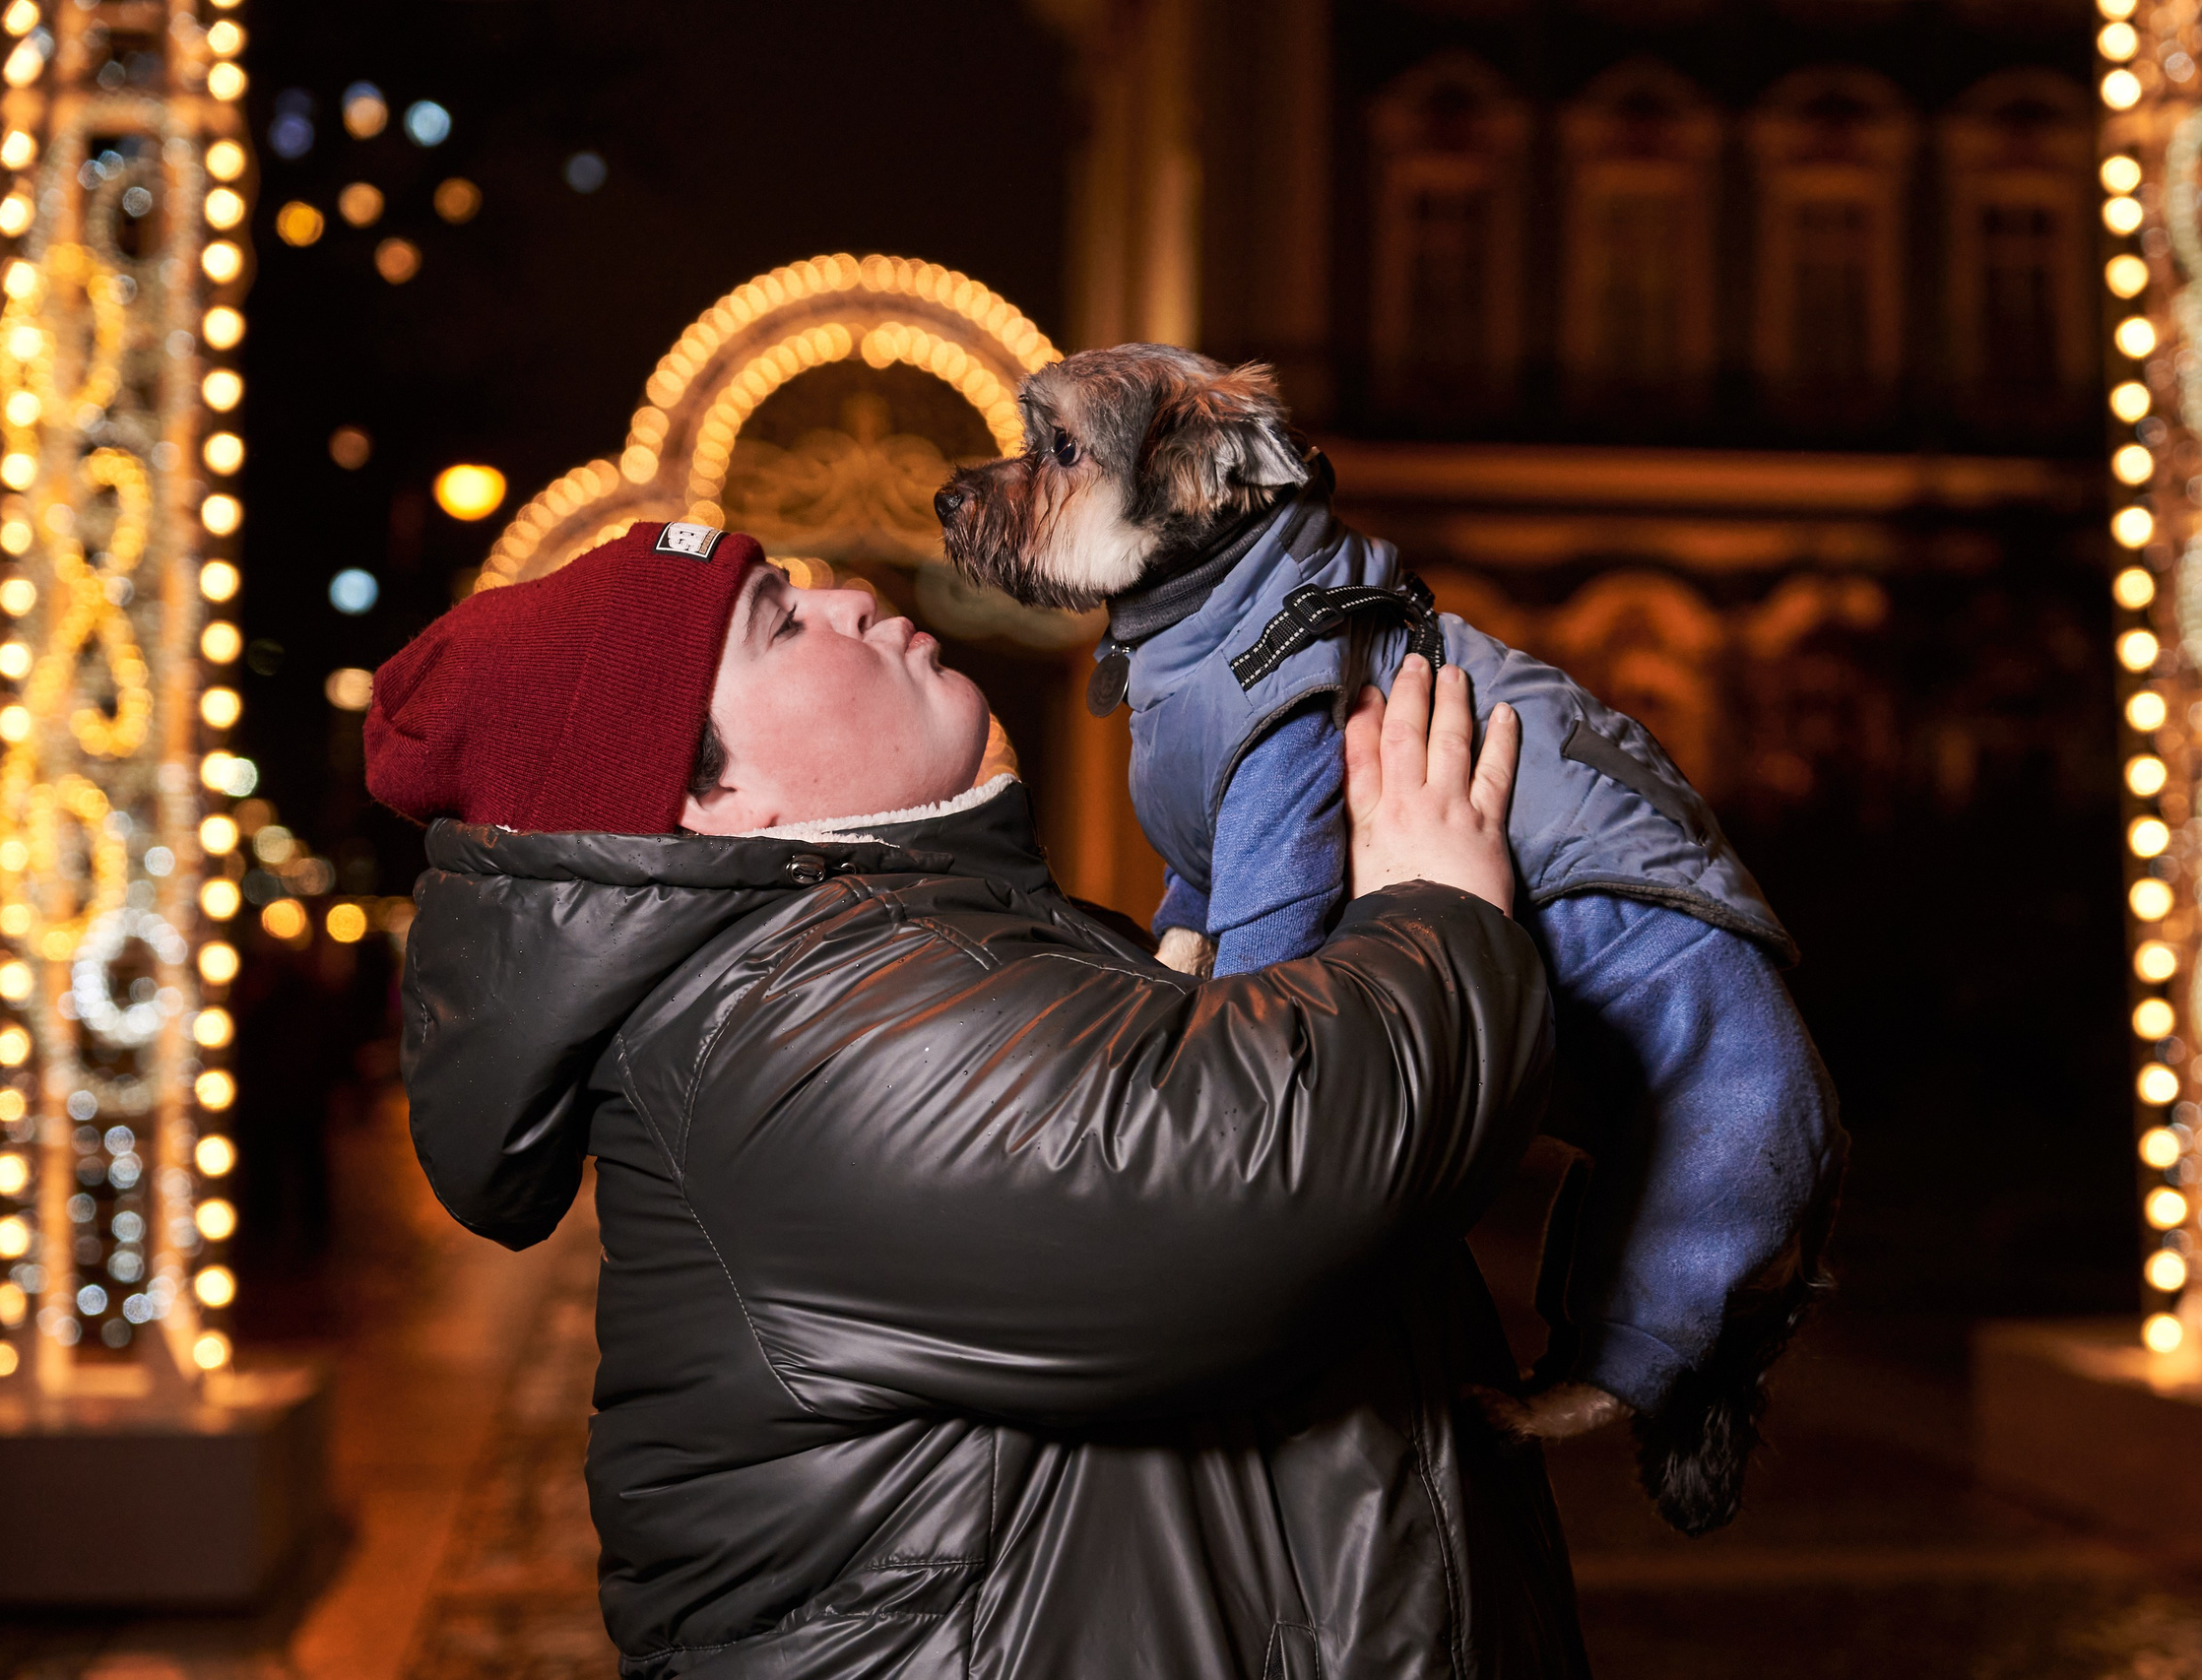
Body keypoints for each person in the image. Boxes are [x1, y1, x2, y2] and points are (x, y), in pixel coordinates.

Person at [364, 521, 1589, 1679]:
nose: (849, 597)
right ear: (713, 801)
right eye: (779, 622)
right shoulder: (798, 1025)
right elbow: (1267, 1174)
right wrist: (1436, 907)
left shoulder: (883, 957)